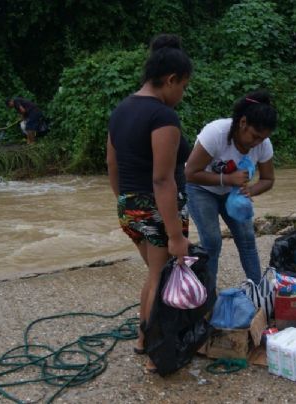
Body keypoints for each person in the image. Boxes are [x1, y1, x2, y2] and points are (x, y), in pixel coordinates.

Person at [106, 33, 192, 373]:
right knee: (160, 276)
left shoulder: (121, 109)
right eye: (183, 86)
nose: (182, 94)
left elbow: (111, 164)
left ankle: (145, 337)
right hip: (155, 207)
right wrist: (174, 235)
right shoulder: (163, 118)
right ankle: (150, 344)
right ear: (170, 80)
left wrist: (126, 204)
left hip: (128, 206)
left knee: (155, 274)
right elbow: (162, 178)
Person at [184, 90, 277, 287]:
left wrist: (250, 190)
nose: (257, 143)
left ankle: (257, 292)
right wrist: (227, 178)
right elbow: (190, 173)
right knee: (212, 242)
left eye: (263, 138)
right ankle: (208, 300)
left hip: (232, 194)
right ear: (243, 123)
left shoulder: (263, 144)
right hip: (200, 189)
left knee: (247, 240)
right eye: (255, 136)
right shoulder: (215, 133)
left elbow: (268, 179)